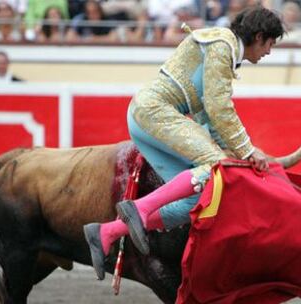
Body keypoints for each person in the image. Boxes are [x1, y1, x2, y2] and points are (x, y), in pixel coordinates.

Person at [84, 5, 284, 280]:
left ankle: (106, 232)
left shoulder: (220, 47)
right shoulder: (223, 46)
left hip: (147, 115)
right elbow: (219, 108)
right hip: (155, 113)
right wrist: (248, 150)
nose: (269, 52)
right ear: (259, 36)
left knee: (196, 198)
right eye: (270, 44)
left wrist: (243, 151)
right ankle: (139, 209)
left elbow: (208, 118)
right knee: (216, 167)